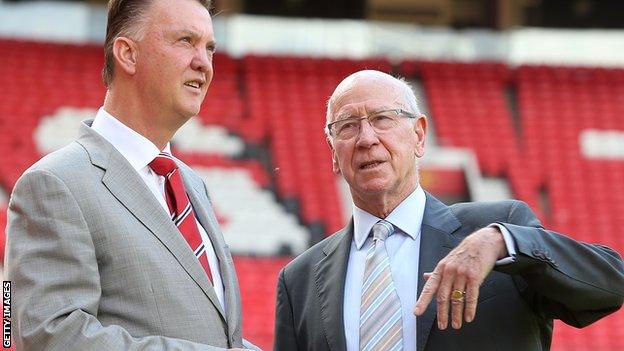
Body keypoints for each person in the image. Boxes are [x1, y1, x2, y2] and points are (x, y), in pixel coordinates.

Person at [273, 70, 624, 351]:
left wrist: (504, 242)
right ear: (333, 151)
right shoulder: (299, 280)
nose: (366, 139)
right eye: (347, 126)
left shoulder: (502, 229)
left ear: (419, 136)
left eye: (382, 119)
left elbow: (610, 286)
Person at [5, 0, 257, 350]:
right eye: (185, 40)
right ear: (127, 54)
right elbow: (47, 336)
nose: (204, 62)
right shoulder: (53, 184)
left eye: (209, 47)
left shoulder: (192, 184)